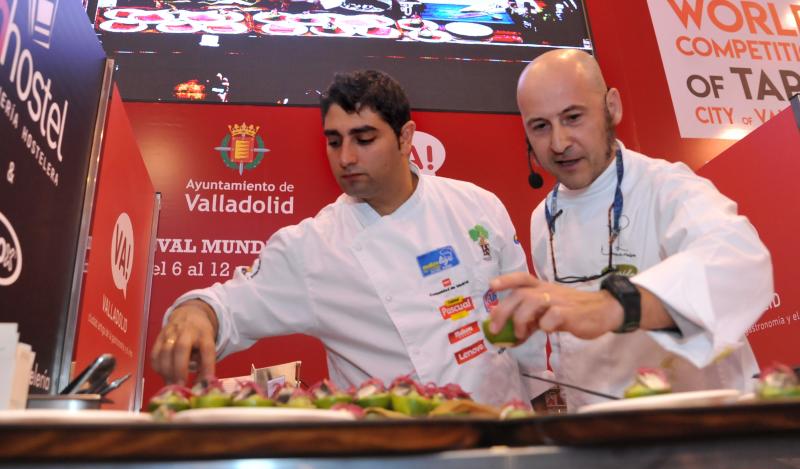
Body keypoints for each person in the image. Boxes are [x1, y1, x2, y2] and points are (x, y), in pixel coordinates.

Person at [151, 70, 531, 406]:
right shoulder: (313, 247)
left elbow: (526, 321)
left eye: (364, 139)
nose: (346, 157)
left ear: (405, 139)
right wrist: (196, 313)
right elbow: (229, 306)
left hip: (504, 439)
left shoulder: (477, 206)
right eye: (334, 141)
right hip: (392, 455)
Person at [488, 49, 773, 410]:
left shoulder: (666, 186)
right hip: (602, 438)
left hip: (699, 429)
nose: (558, 143)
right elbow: (567, 348)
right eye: (540, 126)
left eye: (573, 117)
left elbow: (739, 260)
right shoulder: (541, 218)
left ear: (612, 107)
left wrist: (614, 305)